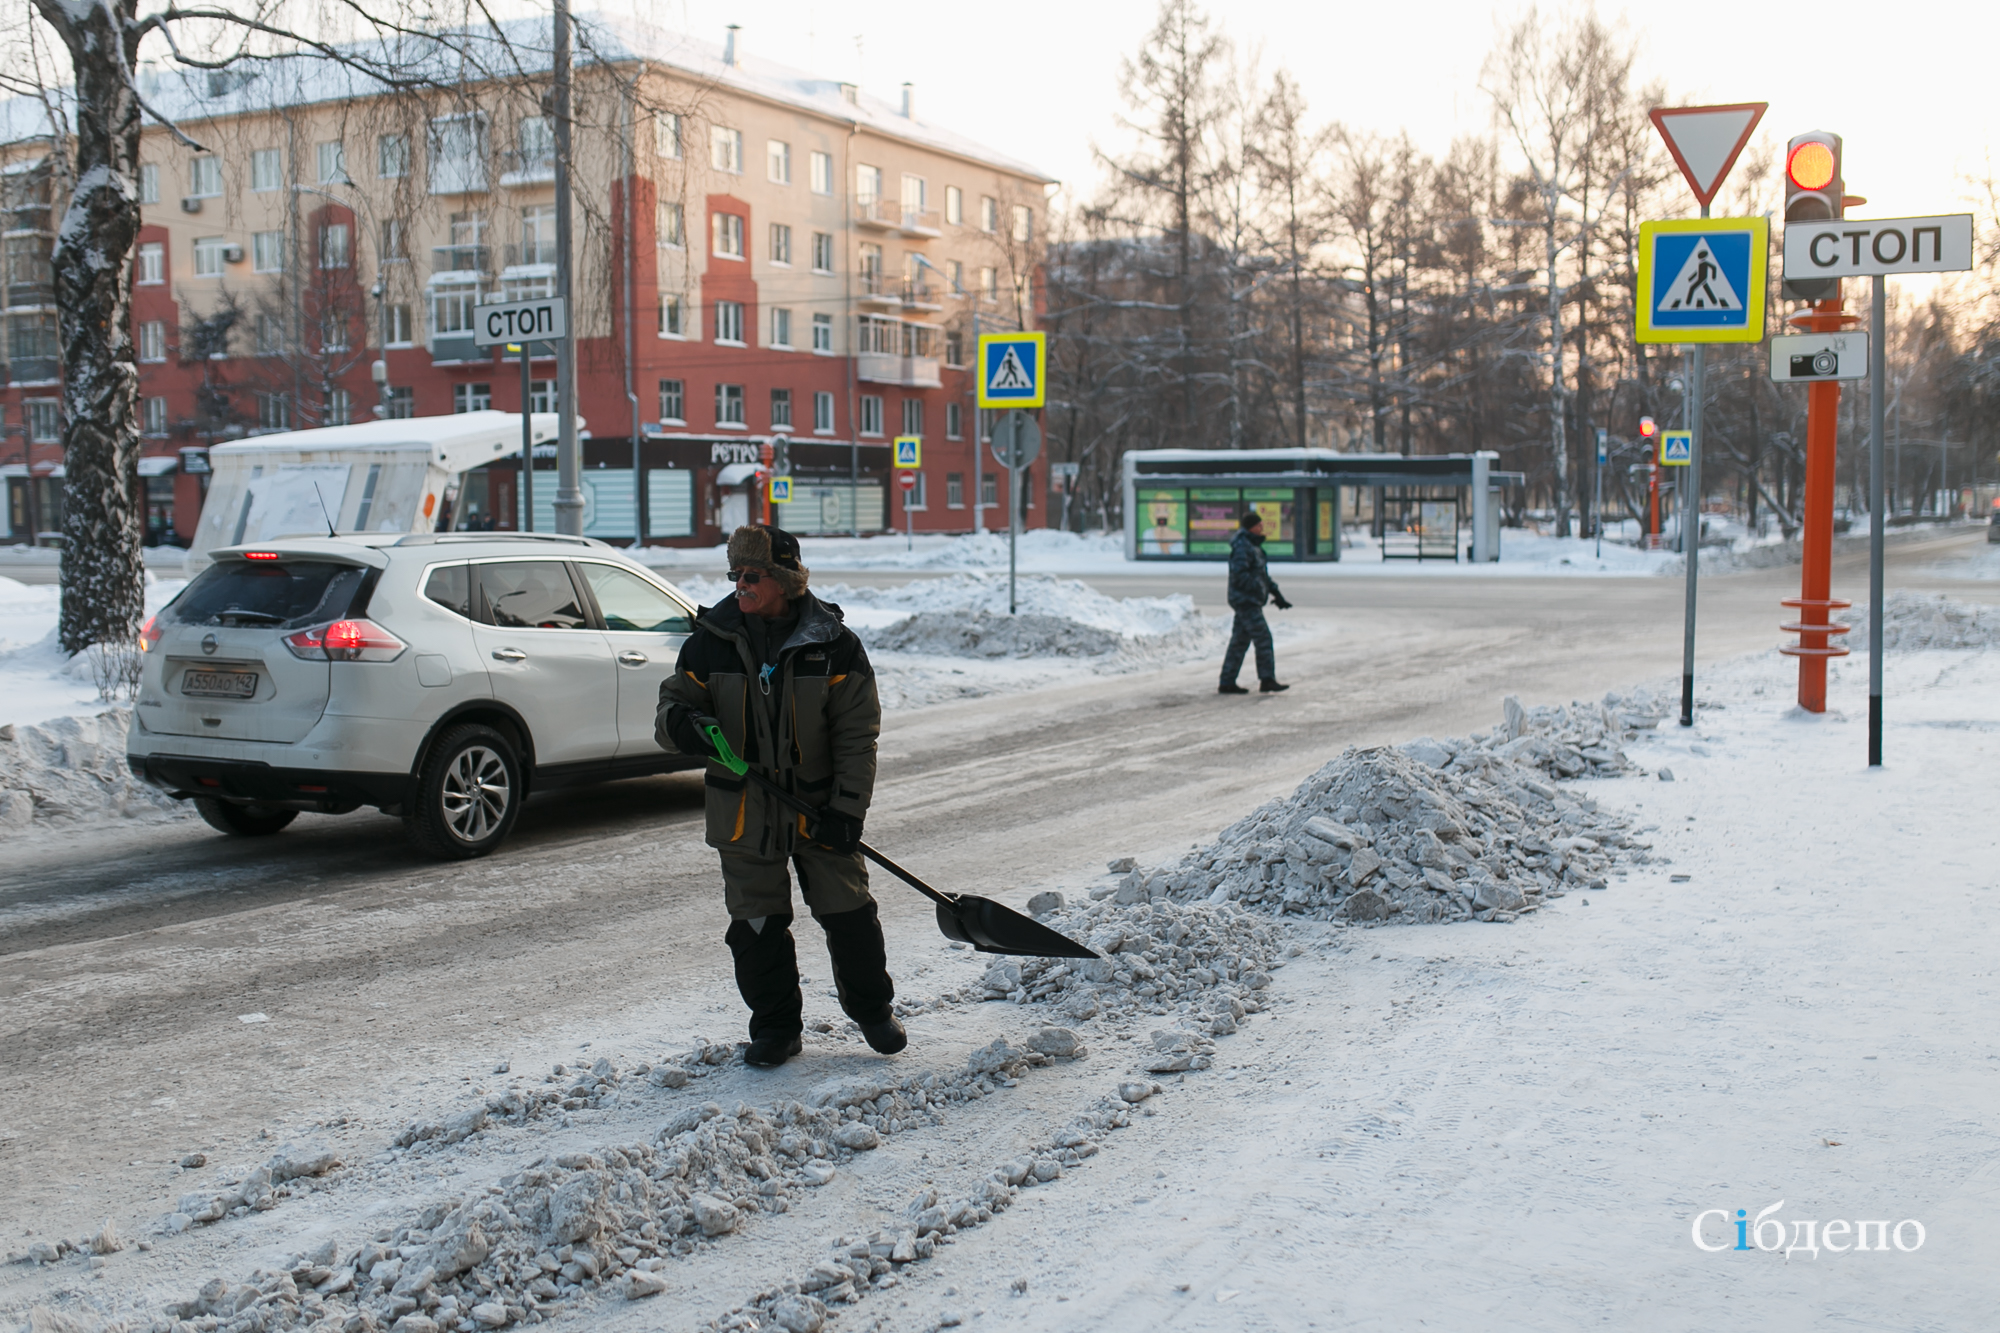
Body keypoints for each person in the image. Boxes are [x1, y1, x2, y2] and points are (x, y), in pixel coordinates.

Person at [655, 524, 906, 1068]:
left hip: (819, 810)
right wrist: (682, 725)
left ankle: (872, 1011)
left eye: (752, 576)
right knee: (756, 924)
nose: (740, 586)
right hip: (743, 808)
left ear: (786, 580)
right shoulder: (711, 638)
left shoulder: (834, 645)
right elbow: (671, 705)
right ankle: (774, 1028)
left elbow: (857, 736)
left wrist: (847, 810)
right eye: (734, 575)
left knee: (849, 912)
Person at [1219, 510, 1292, 694]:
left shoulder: (1253, 546)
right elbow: (1239, 574)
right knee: (1263, 639)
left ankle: (1227, 682)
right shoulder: (1243, 547)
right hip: (1246, 601)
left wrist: (1277, 594)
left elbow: (1262, 576)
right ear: (1251, 527)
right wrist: (1257, 588)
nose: (1262, 528)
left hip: (1250, 600)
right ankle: (1267, 680)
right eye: (1259, 525)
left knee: (1239, 642)